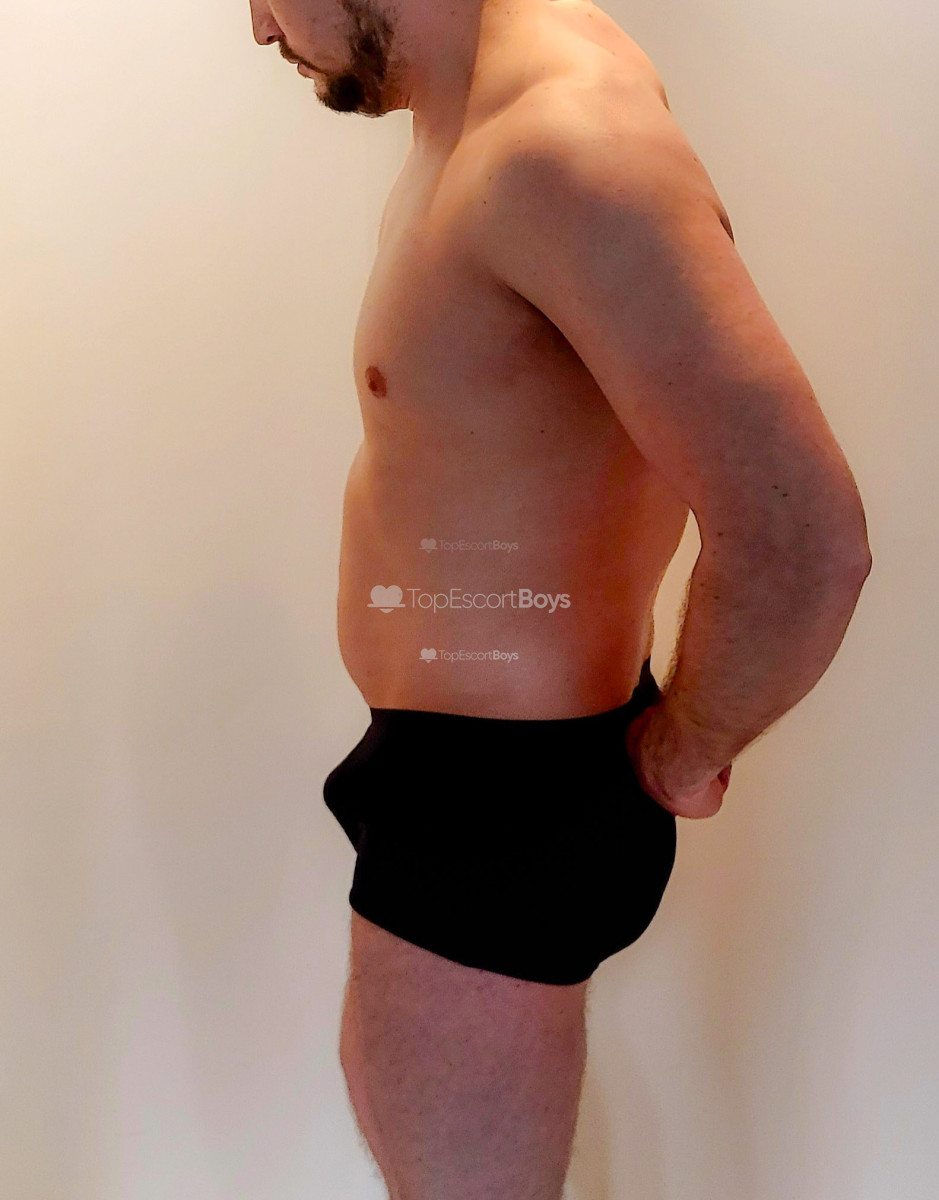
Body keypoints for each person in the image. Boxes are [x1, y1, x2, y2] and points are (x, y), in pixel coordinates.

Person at [250, 2, 872, 1196]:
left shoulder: (564, 147)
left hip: (504, 804)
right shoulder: (472, 109)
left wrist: (687, 750)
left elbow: (805, 537)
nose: (259, 28)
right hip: (462, 780)